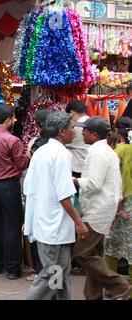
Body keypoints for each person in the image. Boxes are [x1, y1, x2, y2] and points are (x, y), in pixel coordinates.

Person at [23, 111, 89, 300]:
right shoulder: (60, 154)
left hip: (48, 222)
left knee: (60, 273)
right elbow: (64, 195)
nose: (74, 132)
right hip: (53, 225)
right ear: (61, 131)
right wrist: (78, 221)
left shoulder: (42, 151)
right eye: (71, 128)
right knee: (53, 273)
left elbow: (29, 189)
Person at [72, 116, 131, 300]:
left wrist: (74, 180)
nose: (82, 133)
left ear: (94, 134)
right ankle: (93, 296)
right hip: (103, 207)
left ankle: (118, 284)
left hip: (97, 210)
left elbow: (94, 184)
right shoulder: (107, 151)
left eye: (85, 130)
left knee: (81, 253)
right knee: (94, 255)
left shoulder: (98, 153)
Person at [0, 105, 31, 280]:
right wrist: (29, 153)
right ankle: (12, 268)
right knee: (12, 227)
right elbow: (22, 164)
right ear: (9, 120)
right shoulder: (13, 141)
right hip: (8, 185)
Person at [104, 116, 132, 299]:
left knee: (111, 245)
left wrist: (117, 209)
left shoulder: (117, 152)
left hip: (121, 203)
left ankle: (111, 287)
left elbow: (115, 182)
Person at [24, 108, 51, 281]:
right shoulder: (59, 148)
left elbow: (27, 170)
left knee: (36, 232)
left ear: (36, 124)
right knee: (51, 240)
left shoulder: (34, 145)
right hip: (50, 198)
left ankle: (41, 272)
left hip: (36, 194)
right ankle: (49, 277)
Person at [65, 100, 90, 276]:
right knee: (84, 215)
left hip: (76, 176)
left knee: (76, 216)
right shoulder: (93, 124)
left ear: (72, 112)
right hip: (88, 173)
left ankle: (78, 259)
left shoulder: (76, 128)